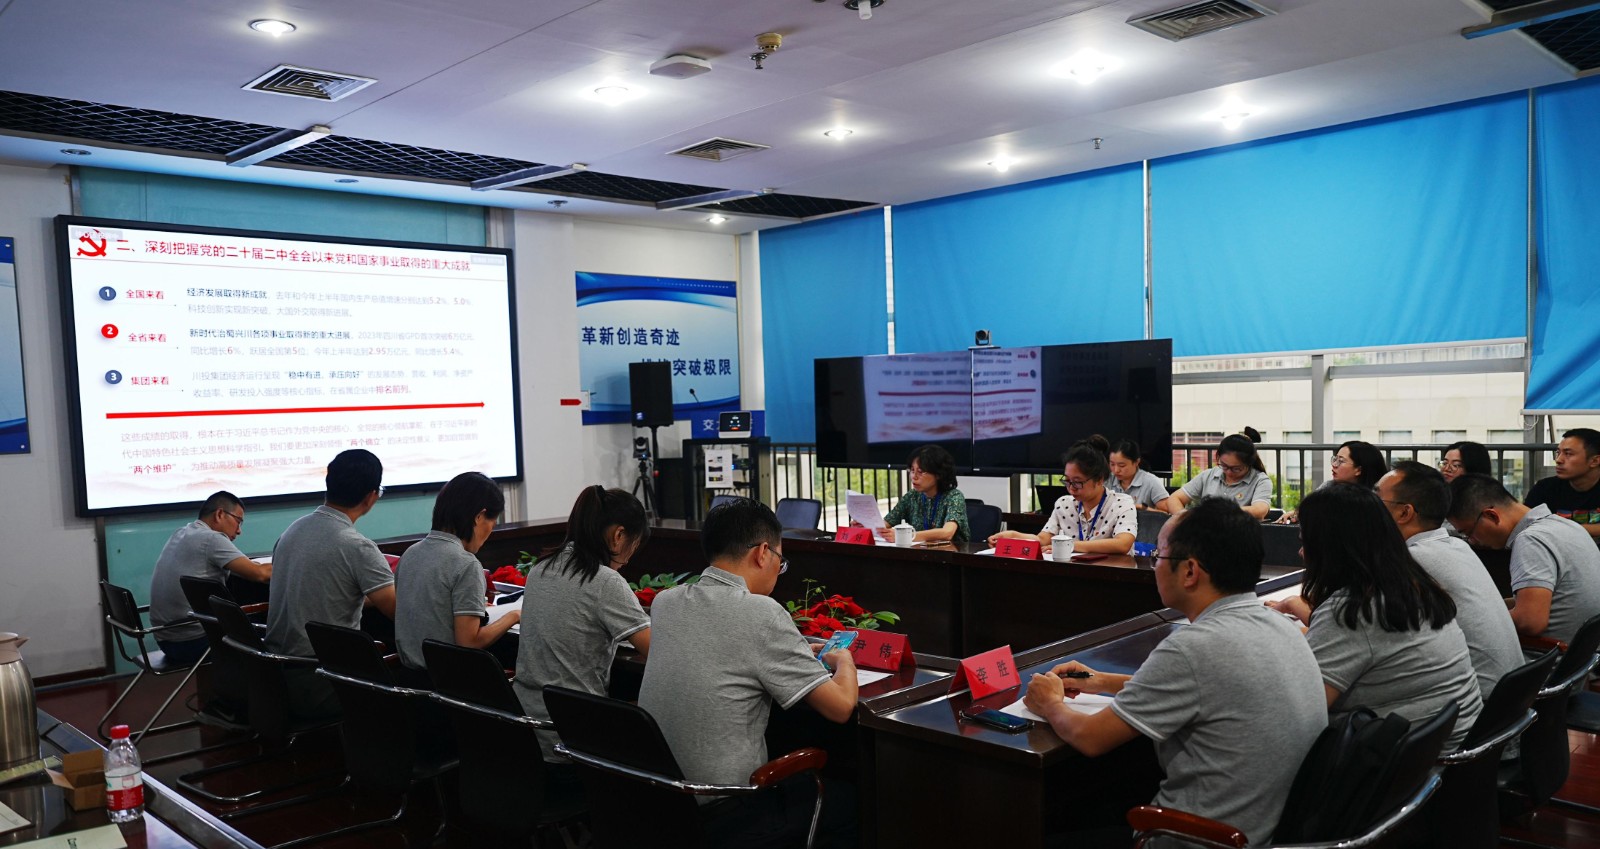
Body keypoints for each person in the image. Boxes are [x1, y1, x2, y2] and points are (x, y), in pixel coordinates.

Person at [1022, 498, 1326, 847]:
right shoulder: (1280, 625)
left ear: (1190, 572)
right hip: (1271, 830)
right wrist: (1102, 681)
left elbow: (1090, 737)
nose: (1154, 566)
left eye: (1159, 556)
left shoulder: (1193, 647)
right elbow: (1211, 688)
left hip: (1198, 837)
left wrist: (1050, 703)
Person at [639, 499, 858, 849]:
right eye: (780, 561)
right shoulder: (761, 612)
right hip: (726, 809)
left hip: (659, 802)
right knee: (854, 803)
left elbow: (720, 646)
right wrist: (844, 660)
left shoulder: (666, 602)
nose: (778, 570)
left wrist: (792, 650)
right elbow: (841, 707)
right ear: (762, 553)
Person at [1272, 484, 1482, 750]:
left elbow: (1299, 713)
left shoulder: (1353, 610)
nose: (1302, 553)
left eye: (1305, 542)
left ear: (1331, 547)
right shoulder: (1415, 586)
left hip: (1408, 764)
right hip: (1453, 748)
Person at [515, 485, 652, 768]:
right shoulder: (604, 581)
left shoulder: (540, 568)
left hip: (525, 732)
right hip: (572, 741)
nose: (630, 557)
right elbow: (658, 652)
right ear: (619, 536)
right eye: (635, 545)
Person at [264, 449, 397, 719]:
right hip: (323, 680)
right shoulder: (356, 546)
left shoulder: (292, 531)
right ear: (371, 497)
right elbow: (399, 611)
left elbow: (327, 593)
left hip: (274, 675)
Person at [1376, 462, 1521, 703]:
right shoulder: (1455, 545)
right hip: (1508, 696)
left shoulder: (1413, 560)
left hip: (1478, 700)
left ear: (1404, 513)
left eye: (1377, 500)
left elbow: (1367, 627)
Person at [393, 472, 520, 681]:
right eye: (493, 523)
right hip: (449, 686)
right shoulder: (466, 564)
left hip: (407, 681)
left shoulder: (410, 554)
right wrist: (513, 615)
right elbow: (469, 643)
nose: (490, 532)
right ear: (479, 516)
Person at [1448, 473, 1600, 645]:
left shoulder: (1531, 540)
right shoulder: (1567, 525)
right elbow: (1550, 599)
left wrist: (1469, 620)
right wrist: (1490, 606)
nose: (1472, 541)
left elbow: (1529, 622)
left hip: (1547, 656)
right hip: (1585, 654)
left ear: (1492, 516)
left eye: (1469, 533)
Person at [147, 491, 272, 665]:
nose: (239, 530)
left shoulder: (182, 533)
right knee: (271, 630)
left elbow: (247, 567)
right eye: (238, 521)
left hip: (167, 639)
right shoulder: (211, 539)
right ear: (220, 514)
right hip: (195, 641)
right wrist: (292, 563)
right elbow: (260, 574)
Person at [991, 442, 1136, 555]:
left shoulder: (1122, 503)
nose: (1071, 488)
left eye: (1077, 482)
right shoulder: (1064, 504)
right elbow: (1043, 540)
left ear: (1099, 479)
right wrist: (1013, 535)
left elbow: (1123, 544)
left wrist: (1069, 546)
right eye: (1067, 481)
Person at [1277, 440, 1388, 524]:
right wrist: (1296, 514)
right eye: (1335, 459)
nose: (1334, 465)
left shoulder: (1377, 499)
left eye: (1341, 461)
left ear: (1358, 470)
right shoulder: (1328, 487)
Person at [1167, 433, 1273, 520]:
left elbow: (1260, 510)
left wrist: (1218, 512)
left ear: (1249, 464)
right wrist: (1185, 519)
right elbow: (1174, 498)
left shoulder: (1260, 480)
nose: (1229, 472)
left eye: (1236, 469)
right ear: (1218, 457)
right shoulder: (1208, 475)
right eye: (1224, 466)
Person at [878, 444, 970, 544]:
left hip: (953, 552)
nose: (914, 476)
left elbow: (947, 533)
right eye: (912, 470)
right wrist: (870, 525)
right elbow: (884, 524)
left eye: (920, 472)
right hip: (920, 551)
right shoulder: (912, 496)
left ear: (938, 474)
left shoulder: (954, 496)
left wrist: (905, 536)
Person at [1524, 428, 1600, 542]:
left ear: (1594, 461)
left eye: (1568, 454)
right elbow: (1527, 527)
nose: (1558, 460)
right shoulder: (1545, 488)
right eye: (1558, 453)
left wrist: (1562, 529)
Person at [1107, 439, 1170, 511]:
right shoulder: (1107, 480)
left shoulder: (1151, 482)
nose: (1116, 470)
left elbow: (1166, 513)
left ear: (1136, 462)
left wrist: (1142, 507)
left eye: (1122, 465)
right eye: (1112, 464)